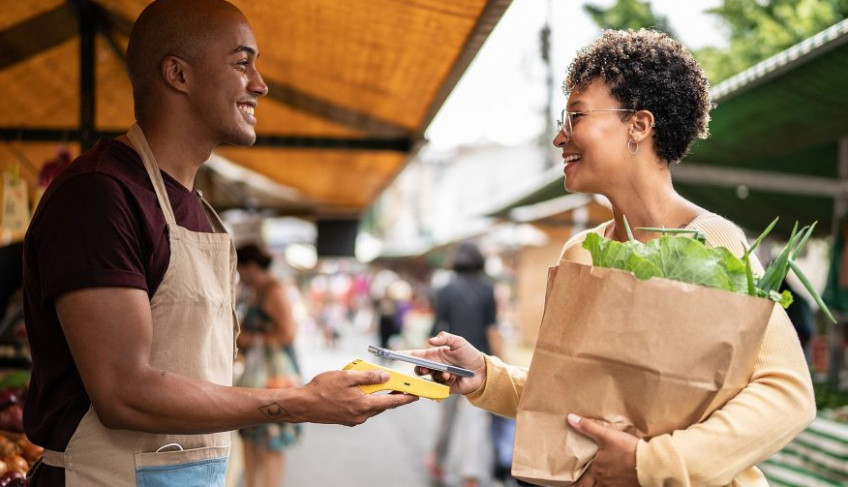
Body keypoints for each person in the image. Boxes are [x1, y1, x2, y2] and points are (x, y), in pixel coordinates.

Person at [21, 1, 416, 485]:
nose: (260, 83)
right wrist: (299, 402)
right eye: (241, 62)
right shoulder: (99, 195)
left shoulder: (199, 211)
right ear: (178, 74)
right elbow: (122, 391)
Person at [412, 29, 814, 487]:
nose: (559, 136)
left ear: (638, 126)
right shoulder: (579, 253)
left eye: (575, 115)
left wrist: (652, 462)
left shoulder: (711, 239)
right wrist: (486, 375)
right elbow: (571, 394)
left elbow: (787, 393)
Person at [428, 241, 500, 487]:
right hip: (480, 364)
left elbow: (436, 329)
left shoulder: (445, 290)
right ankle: (471, 476)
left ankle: (438, 462)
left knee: (446, 419)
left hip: (449, 364)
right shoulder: (488, 290)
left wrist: (428, 364)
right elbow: (492, 330)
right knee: (476, 421)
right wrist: (500, 362)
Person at [235, 244, 301, 487]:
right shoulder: (256, 291)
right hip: (260, 372)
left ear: (250, 266)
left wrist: (249, 339)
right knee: (252, 436)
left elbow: (288, 334)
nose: (240, 274)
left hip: (274, 373)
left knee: (270, 438)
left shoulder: (273, 291)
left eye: (240, 268)